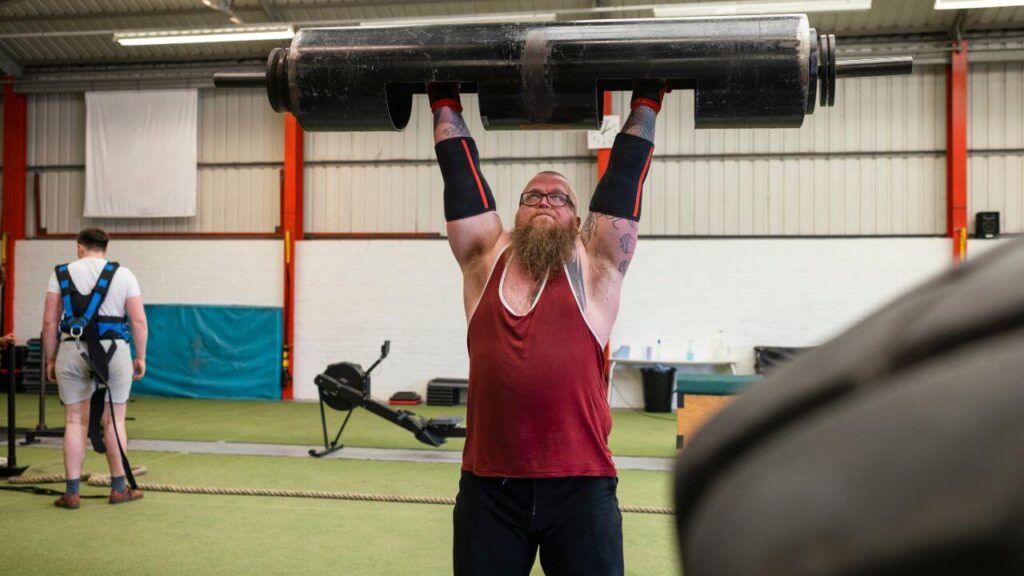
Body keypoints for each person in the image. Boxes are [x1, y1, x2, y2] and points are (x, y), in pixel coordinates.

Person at [428, 80, 668, 575]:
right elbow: (460, 178)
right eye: (532, 195)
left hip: (581, 486)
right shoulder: (484, 259)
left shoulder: (595, 266)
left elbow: (624, 183)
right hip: (489, 489)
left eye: (559, 198)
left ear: (579, 219)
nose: (544, 202)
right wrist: (442, 100)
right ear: (513, 214)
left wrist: (647, 102)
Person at [41, 227, 148, 509]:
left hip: (71, 349)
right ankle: (118, 488)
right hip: (115, 352)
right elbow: (138, 321)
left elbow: (50, 323)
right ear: (105, 247)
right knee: (115, 420)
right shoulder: (124, 275)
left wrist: (50, 359)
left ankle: (73, 493)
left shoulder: (60, 274)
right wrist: (141, 357)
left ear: (80, 247)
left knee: (75, 421)